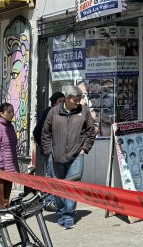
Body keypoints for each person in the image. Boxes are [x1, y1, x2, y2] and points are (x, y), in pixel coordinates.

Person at [41, 86, 96, 229]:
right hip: (56, 155)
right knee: (58, 186)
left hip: (76, 155)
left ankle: (69, 215)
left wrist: (84, 149)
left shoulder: (84, 111)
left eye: (79, 99)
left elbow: (91, 131)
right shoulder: (54, 112)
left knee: (72, 186)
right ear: (66, 98)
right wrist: (49, 151)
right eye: (74, 100)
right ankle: (61, 212)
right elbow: (45, 133)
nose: (77, 102)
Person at [32, 92, 64, 210]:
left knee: (57, 175)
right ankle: (48, 201)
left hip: (59, 150)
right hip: (50, 149)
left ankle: (55, 200)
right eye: (61, 100)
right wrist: (45, 147)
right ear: (55, 102)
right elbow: (37, 131)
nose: (63, 103)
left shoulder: (62, 113)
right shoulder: (48, 112)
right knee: (50, 174)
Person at [0, 102, 19, 208]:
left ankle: (5, 210)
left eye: (13, 112)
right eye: (9, 112)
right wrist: (0, 164)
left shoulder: (10, 126)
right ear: (1, 113)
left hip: (10, 165)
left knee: (6, 192)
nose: (12, 114)